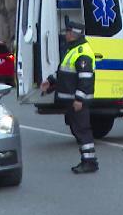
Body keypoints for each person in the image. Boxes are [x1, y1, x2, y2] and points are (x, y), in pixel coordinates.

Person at [41, 20, 98, 174]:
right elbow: (64, 72)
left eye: (67, 32)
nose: (65, 34)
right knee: (78, 129)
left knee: (82, 130)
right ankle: (87, 160)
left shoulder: (82, 52)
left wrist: (79, 99)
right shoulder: (72, 49)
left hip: (77, 101)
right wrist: (50, 82)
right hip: (72, 100)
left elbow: (85, 79)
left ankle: (89, 162)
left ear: (74, 34)